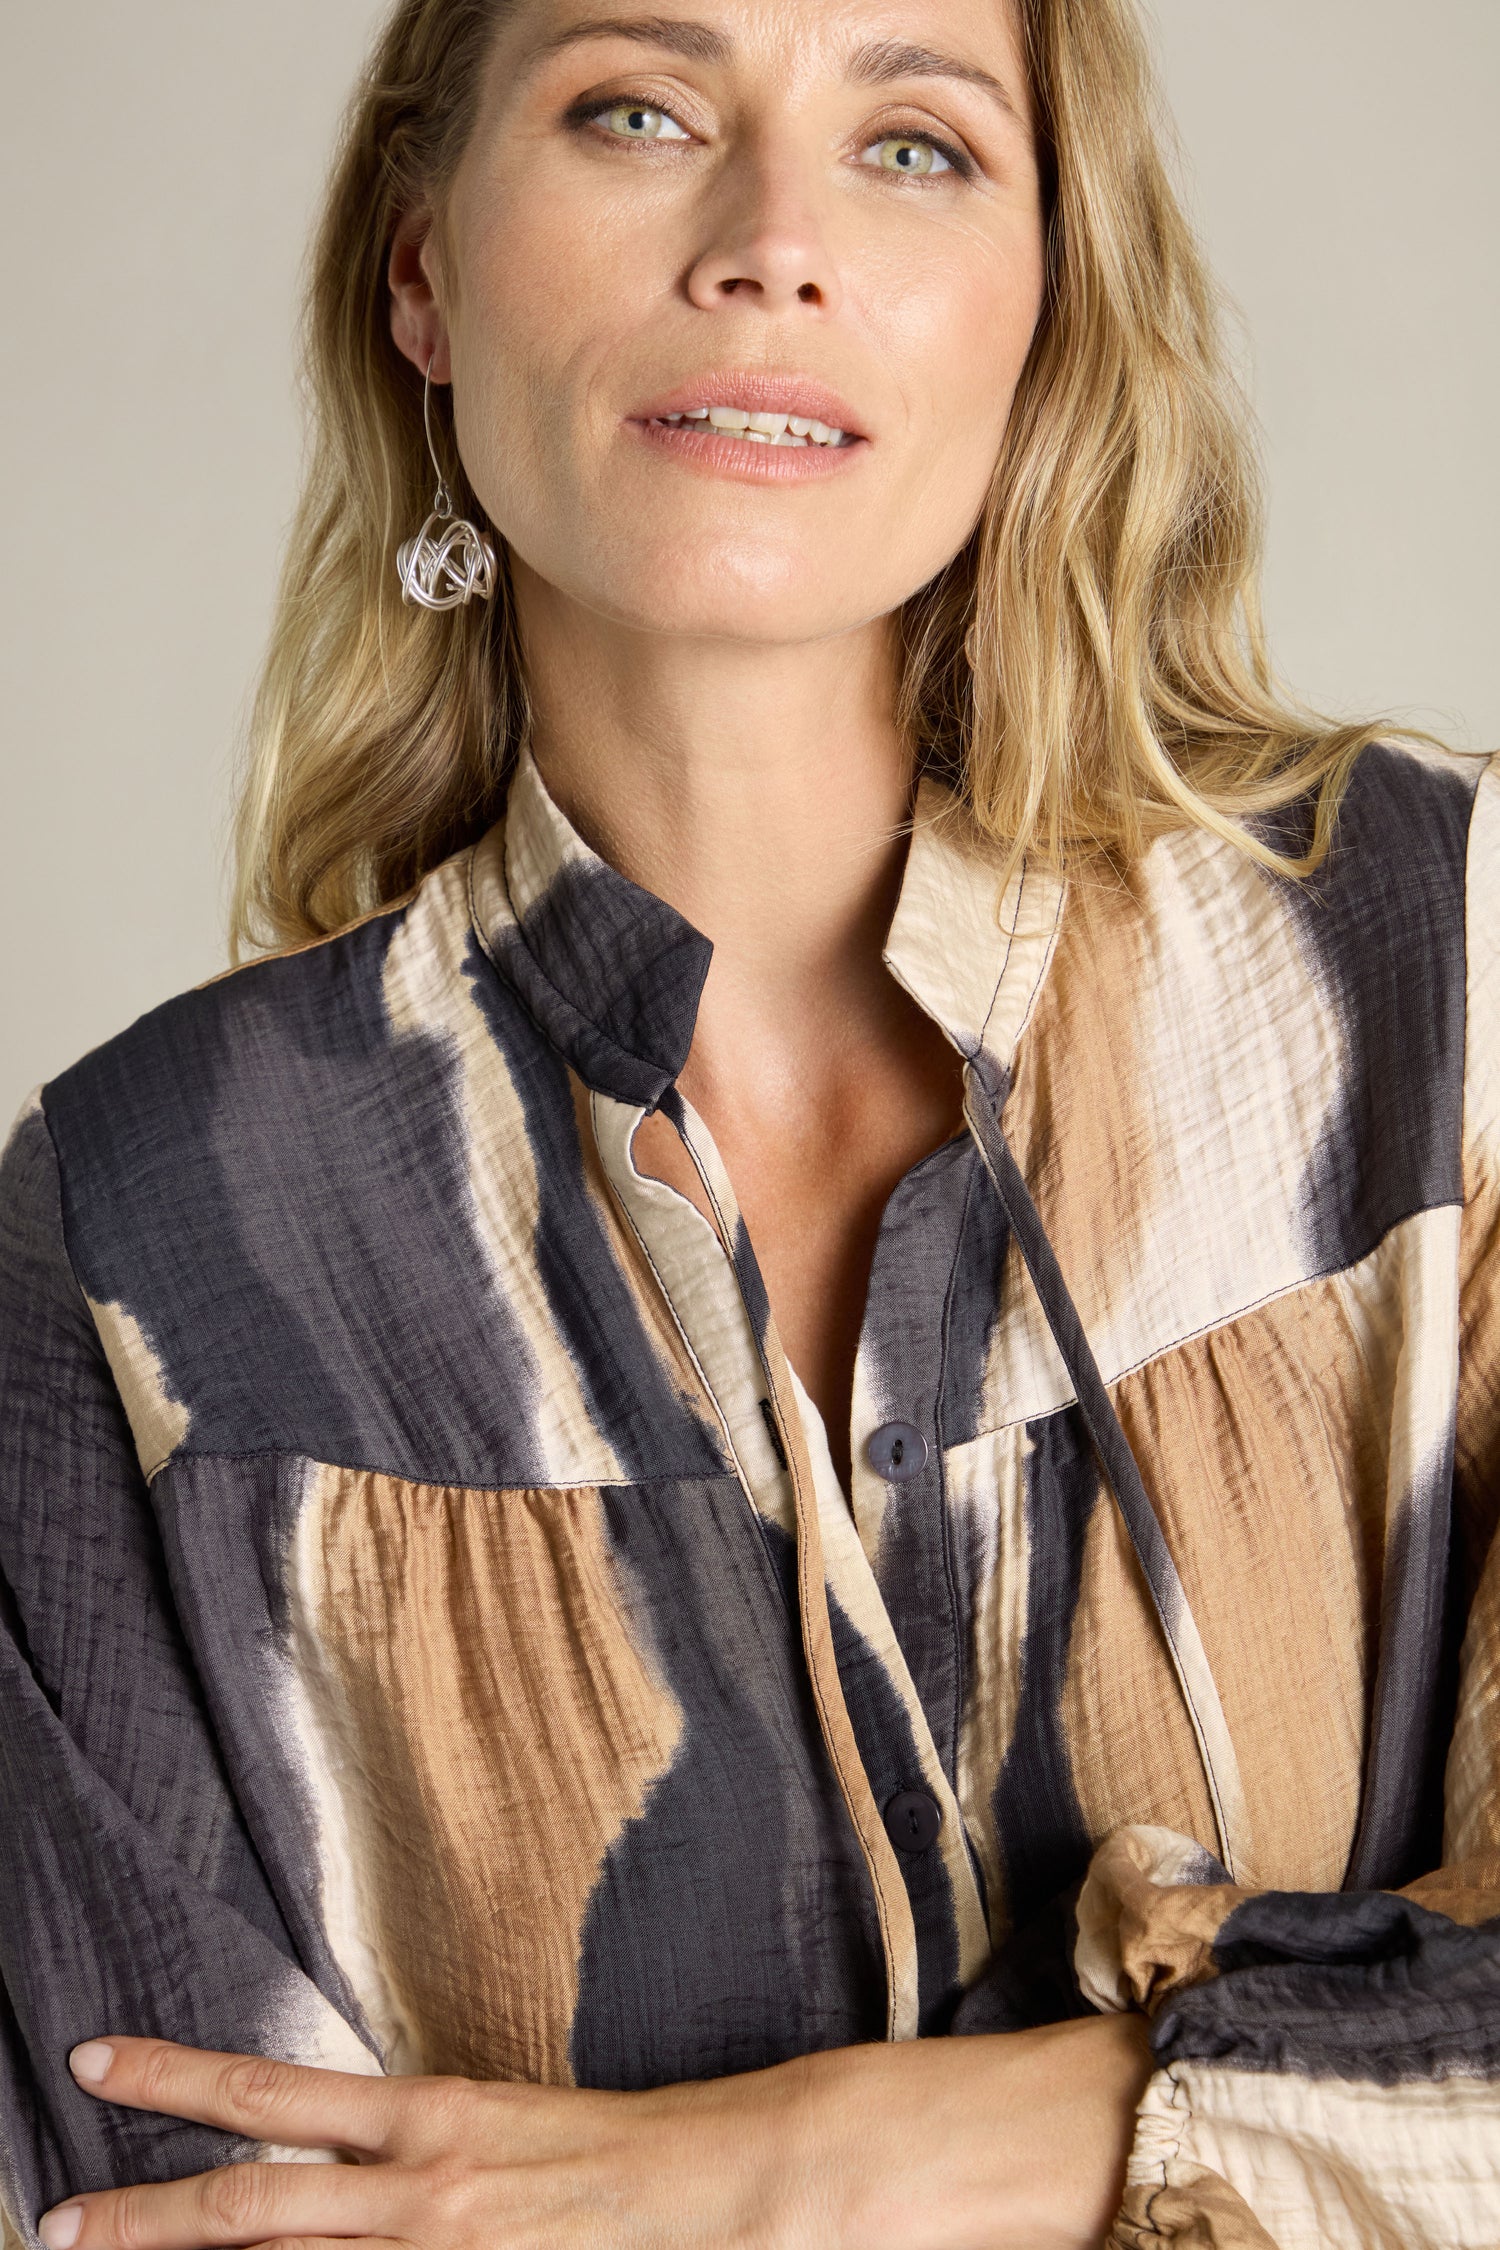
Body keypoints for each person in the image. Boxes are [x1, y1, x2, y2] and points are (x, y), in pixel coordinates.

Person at [2, 0, 1497, 2243]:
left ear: (1049, 296)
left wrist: (808, 2167)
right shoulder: (133, 1243)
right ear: (421, 263)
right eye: (639, 109)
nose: (775, 241)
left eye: (916, 144)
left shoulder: (1436, 978)